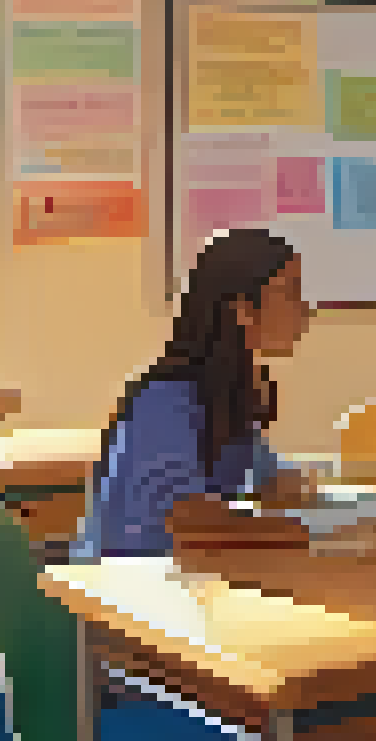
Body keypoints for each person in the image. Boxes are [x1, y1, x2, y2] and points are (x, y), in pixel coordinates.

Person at [75, 228, 312, 560]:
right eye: (291, 294)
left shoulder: (228, 392)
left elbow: (274, 483)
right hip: (129, 590)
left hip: (183, 580)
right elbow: (191, 519)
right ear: (243, 311)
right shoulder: (165, 400)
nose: (305, 309)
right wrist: (296, 533)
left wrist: (356, 514)